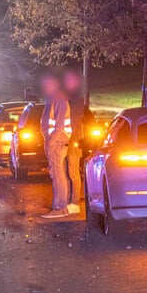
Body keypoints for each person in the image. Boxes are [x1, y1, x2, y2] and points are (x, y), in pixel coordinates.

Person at [39, 72, 71, 219]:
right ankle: (60, 206)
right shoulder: (52, 100)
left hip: (57, 143)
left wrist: (51, 142)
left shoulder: (60, 100)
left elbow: (59, 125)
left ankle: (59, 207)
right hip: (54, 143)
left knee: (58, 175)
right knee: (57, 174)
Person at [61, 68, 87, 217]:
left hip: (72, 140)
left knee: (72, 171)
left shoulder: (77, 100)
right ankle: (67, 202)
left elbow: (73, 121)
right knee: (65, 172)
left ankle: (74, 203)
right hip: (65, 140)